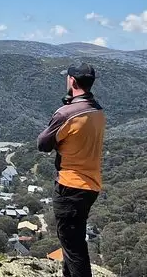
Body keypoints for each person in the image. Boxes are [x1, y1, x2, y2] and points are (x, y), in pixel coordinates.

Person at [37, 63, 105, 277]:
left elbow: (43, 144)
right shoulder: (97, 110)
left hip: (70, 185)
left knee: (73, 246)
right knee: (73, 241)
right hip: (91, 184)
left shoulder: (66, 113)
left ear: (72, 81)